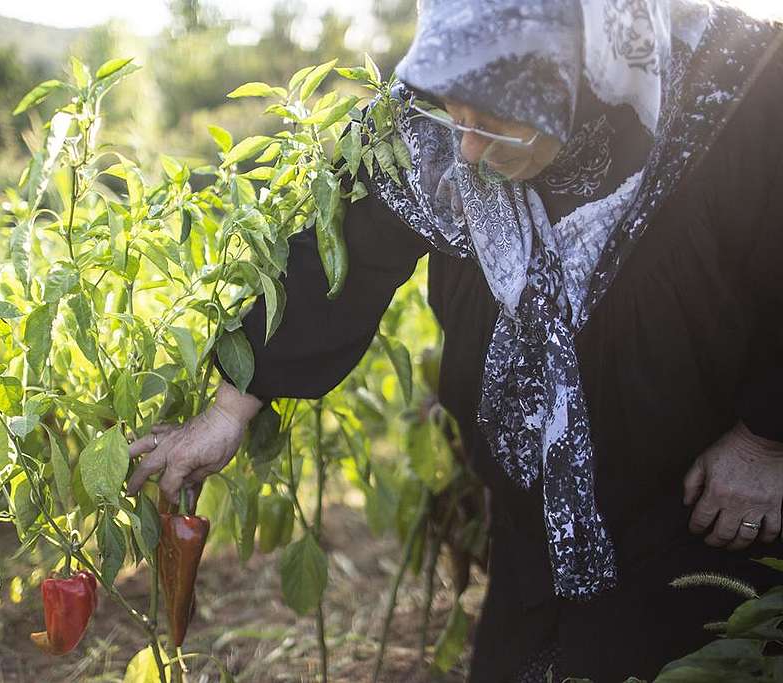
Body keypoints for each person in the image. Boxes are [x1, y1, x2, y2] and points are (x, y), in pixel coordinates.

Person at [127, 0, 783, 680]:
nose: (463, 148)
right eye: (454, 111)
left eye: (496, 121)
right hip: (532, 536)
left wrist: (769, 437)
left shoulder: (739, 95)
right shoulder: (427, 121)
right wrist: (230, 407)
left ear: (586, 76)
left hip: (699, 521)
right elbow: (339, 250)